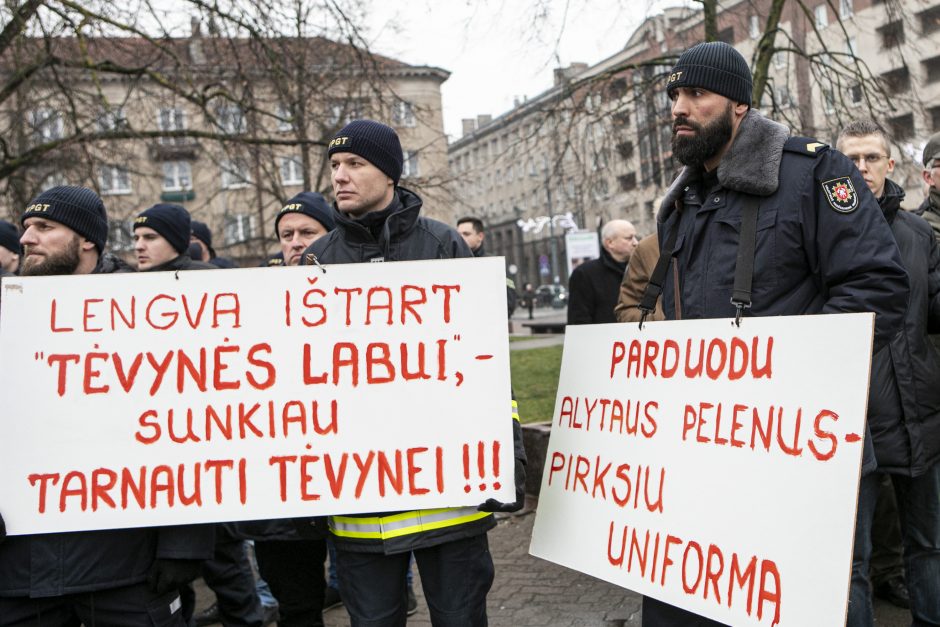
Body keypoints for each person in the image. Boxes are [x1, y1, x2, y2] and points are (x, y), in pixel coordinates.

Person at [638, 42, 908, 626]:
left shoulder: (811, 171)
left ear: (738, 106)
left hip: (795, 455)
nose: (679, 108)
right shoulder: (682, 200)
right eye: (674, 96)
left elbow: (877, 288)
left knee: (816, 604)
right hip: (706, 453)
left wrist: (782, 381)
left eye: (696, 94)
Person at [302, 119, 526, 627]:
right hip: (360, 510)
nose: (340, 176)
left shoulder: (445, 245)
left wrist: (507, 450)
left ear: (390, 175)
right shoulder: (316, 261)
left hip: (453, 504)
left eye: (355, 164)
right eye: (335, 165)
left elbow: (485, 364)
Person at [0, 185, 214, 626]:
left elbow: (190, 428)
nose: (26, 239)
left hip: (125, 569)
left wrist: (185, 544)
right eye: (25, 229)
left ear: (87, 240)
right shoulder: (7, 312)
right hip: (20, 573)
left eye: (44, 227)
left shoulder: (149, 314)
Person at [837, 119, 940, 626]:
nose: (861, 169)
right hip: (851, 425)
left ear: (889, 163)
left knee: (929, 547)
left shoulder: (919, 234)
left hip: (920, 416)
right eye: (850, 160)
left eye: (871, 158)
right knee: (849, 563)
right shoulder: (815, 234)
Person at [566, 219, 637, 324]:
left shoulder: (640, 270)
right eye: (629, 238)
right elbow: (579, 319)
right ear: (610, 243)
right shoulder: (585, 274)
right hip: (603, 338)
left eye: (635, 237)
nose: (636, 243)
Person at [457, 215, 518, 317]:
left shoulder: (494, 264)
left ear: (480, 236)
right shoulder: (452, 263)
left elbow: (509, 301)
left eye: (466, 234)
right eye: (458, 234)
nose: (461, 238)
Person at [134, 203, 215, 272]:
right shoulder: (129, 282)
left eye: (150, 237)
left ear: (175, 243)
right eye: (136, 238)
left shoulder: (208, 278)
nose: (138, 246)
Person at [613, 233, 664, 323]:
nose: (634, 242)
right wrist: (663, 321)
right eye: (628, 238)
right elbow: (627, 309)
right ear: (609, 242)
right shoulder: (646, 248)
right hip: (665, 335)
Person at [275, 191, 335, 266]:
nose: (295, 244)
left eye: (307, 233)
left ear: (331, 236)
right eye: (287, 235)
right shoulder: (267, 277)